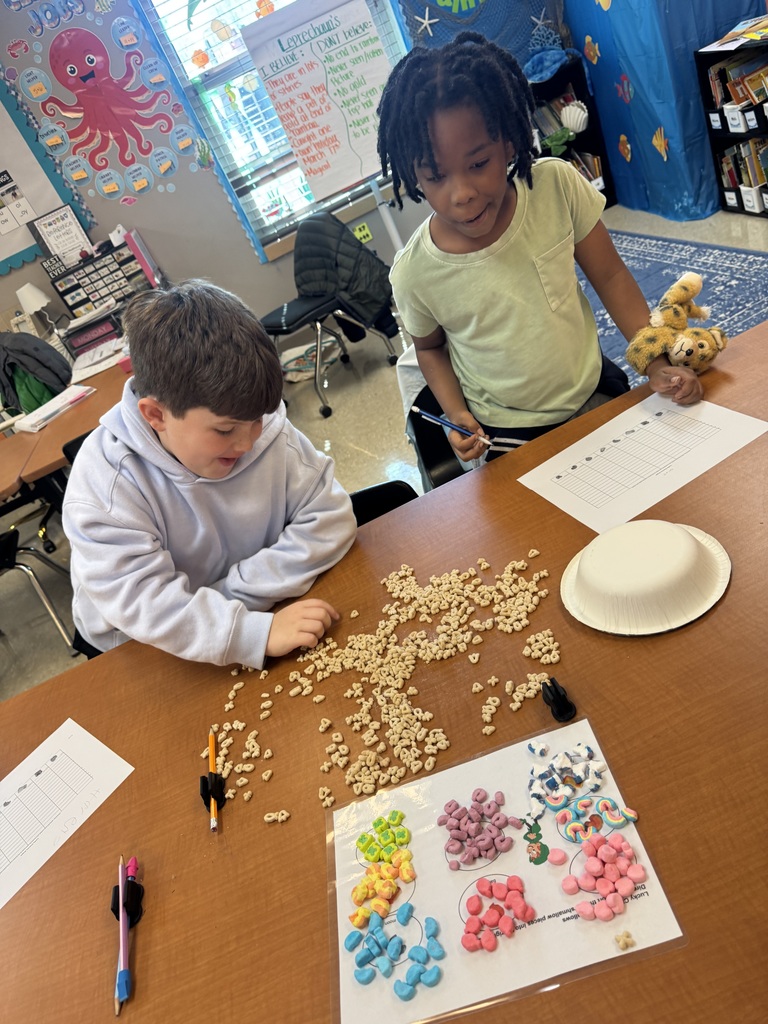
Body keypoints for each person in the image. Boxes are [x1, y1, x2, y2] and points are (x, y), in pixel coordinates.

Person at [377, 32, 703, 463]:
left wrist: (657, 361)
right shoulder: (414, 272)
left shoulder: (555, 186)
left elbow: (611, 277)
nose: (463, 194)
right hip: (505, 433)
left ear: (508, 142)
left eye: (478, 164)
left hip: (593, 393)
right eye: (436, 177)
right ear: (413, 175)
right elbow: (430, 348)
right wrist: (457, 414)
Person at [62, 280, 357, 667]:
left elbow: (331, 519)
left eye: (258, 420)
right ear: (156, 415)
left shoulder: (262, 430)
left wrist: (234, 596)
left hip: (242, 616)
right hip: (138, 646)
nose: (249, 442)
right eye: (225, 430)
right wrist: (249, 631)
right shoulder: (107, 484)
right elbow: (145, 607)